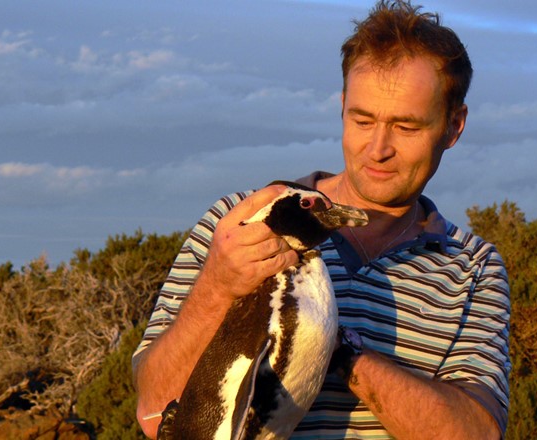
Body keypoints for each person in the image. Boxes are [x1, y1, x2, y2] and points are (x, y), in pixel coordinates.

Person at [132, 1, 511, 438]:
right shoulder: (239, 223)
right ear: (342, 105)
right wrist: (217, 286)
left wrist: (331, 344)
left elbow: (475, 434)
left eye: (406, 127)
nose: (379, 148)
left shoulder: (473, 268)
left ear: (453, 126)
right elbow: (154, 407)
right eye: (363, 119)